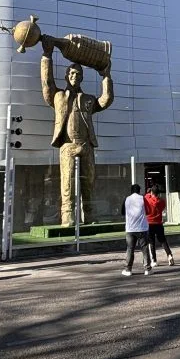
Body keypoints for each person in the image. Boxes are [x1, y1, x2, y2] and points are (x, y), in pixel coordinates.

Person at [41, 38, 113, 226]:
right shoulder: (57, 97)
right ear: (66, 76)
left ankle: (89, 214)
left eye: (78, 73)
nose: (74, 75)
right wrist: (47, 56)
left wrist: (106, 76)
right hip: (67, 145)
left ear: (81, 77)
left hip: (86, 145)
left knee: (89, 182)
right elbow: (47, 84)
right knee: (67, 182)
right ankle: (67, 215)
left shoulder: (88, 99)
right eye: (71, 73)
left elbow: (105, 100)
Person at [121, 183, 151, 276]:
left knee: (130, 249)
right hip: (142, 228)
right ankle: (147, 269)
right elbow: (149, 210)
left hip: (130, 228)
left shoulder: (126, 199)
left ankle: (128, 269)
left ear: (131, 191)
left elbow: (122, 212)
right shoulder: (143, 198)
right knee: (144, 248)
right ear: (139, 190)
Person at [144, 183, 174, 267]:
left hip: (149, 224)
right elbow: (162, 206)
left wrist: (148, 193)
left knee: (152, 242)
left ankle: (154, 260)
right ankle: (169, 255)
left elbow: (146, 197)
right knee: (163, 241)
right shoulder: (161, 201)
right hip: (159, 223)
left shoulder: (147, 199)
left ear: (151, 192)